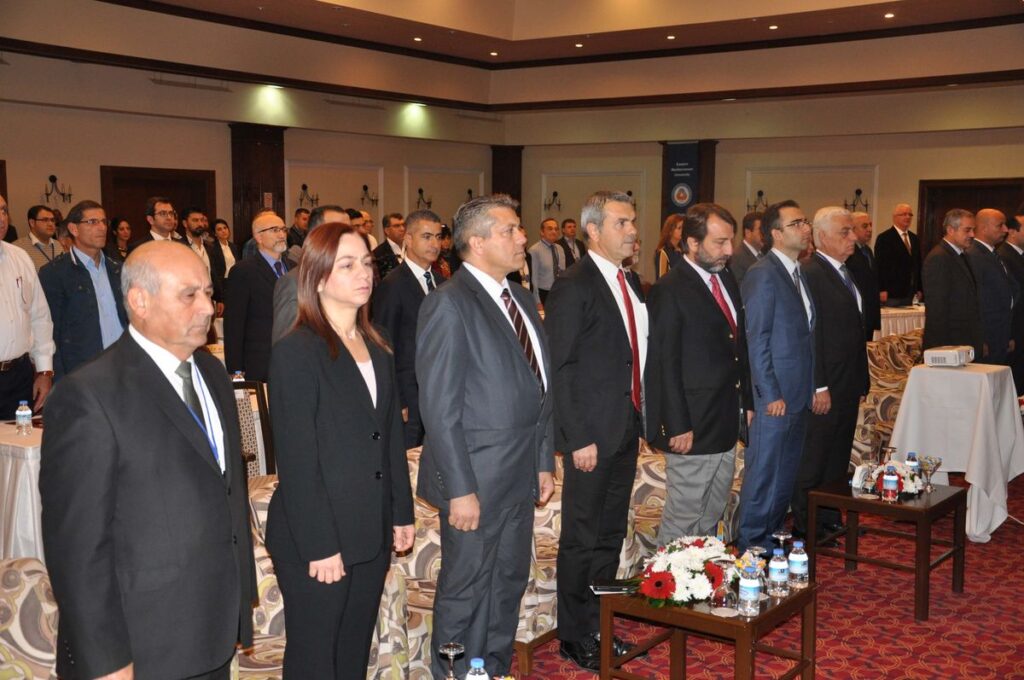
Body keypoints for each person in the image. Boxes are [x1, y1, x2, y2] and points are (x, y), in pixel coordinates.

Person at [40, 241, 255, 680]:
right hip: (142, 644)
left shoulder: (213, 374)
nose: (207, 308)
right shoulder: (90, 394)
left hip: (212, 629)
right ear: (139, 302)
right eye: (189, 295)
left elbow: (226, 496)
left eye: (208, 293)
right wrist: (107, 660)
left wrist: (237, 610)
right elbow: (77, 548)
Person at [266, 223, 414, 679]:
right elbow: (297, 459)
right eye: (347, 265)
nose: (363, 273)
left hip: (370, 527)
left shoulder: (378, 344)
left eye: (366, 263)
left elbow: (389, 437)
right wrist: (321, 545)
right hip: (316, 534)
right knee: (316, 661)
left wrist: (401, 513)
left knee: (352, 654)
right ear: (318, 277)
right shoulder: (297, 350)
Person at [416, 194, 554, 678]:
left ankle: (491, 670)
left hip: (519, 472)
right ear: (476, 243)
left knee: (508, 582)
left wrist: (543, 461)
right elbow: (439, 409)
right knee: (466, 588)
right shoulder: (449, 304)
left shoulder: (519, 297)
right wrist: (460, 488)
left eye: (520, 228)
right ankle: (452, 674)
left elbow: (539, 388)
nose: (522, 238)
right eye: (510, 230)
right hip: (474, 477)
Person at [546, 191, 647, 671]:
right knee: (582, 537)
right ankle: (574, 634)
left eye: (632, 221)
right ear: (593, 230)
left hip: (625, 425)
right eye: (621, 223)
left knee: (610, 533)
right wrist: (577, 436)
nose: (632, 230)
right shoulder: (574, 284)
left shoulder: (630, 280)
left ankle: (600, 622)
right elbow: (560, 366)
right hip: (591, 433)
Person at [645, 203, 752, 545]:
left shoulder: (725, 278)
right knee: (684, 517)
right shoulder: (670, 288)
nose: (729, 250)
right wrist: (676, 423)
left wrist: (746, 402)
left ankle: (700, 574)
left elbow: (739, 345)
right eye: (719, 242)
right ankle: (665, 577)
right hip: (691, 425)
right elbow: (664, 362)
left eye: (731, 241)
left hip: (725, 419)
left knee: (711, 512)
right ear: (692, 243)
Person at [738, 200, 815, 551]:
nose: (806, 228)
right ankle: (752, 549)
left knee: (784, 476)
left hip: (796, 393)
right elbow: (756, 338)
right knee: (764, 474)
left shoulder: (797, 272)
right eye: (796, 223)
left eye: (805, 221)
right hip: (774, 397)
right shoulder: (763, 273)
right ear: (776, 234)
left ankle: (771, 543)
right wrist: (769, 393)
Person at [790, 207, 869, 544]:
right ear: (821, 237)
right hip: (825, 384)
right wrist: (818, 384)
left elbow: (855, 332)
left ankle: (829, 518)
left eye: (852, 231)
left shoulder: (844, 271)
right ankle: (806, 526)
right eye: (844, 232)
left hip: (847, 381)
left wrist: (862, 379)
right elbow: (811, 335)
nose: (853, 238)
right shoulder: (810, 272)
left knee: (837, 457)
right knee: (815, 458)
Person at [370, 209, 442, 449]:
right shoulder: (393, 285)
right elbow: (383, 346)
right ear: (408, 239)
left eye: (438, 237)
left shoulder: (443, 282)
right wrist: (397, 398)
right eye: (427, 237)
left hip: (441, 390)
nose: (435, 244)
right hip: (409, 394)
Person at [39, 200, 127, 380]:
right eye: (92, 222)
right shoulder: (54, 273)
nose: (102, 227)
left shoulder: (119, 269)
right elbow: (51, 332)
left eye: (104, 222)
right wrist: (58, 379)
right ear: (73, 229)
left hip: (124, 365)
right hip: (83, 371)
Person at [0, 194, 54, 418]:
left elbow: (39, 316)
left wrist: (44, 370)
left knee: (20, 439)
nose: (1, 218)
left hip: (18, 376)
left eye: (4, 210)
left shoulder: (19, 256)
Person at [223, 211, 292, 381]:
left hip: (293, 358)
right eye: (275, 230)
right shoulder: (243, 271)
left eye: (283, 229)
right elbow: (234, 324)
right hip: (260, 362)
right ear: (258, 237)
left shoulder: (295, 268)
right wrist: (236, 368)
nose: (281, 235)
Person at [272, 205, 348, 343]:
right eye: (338, 230)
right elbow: (285, 345)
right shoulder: (294, 283)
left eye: (349, 230)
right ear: (316, 234)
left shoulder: (350, 278)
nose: (348, 236)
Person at [922, 208, 984, 359]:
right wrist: (943, 350)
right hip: (950, 344)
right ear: (950, 230)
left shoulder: (961, 255)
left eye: (973, 230)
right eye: (967, 230)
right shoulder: (939, 258)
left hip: (964, 340)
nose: (972, 235)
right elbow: (937, 309)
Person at [966, 209, 1017, 365]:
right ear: (983, 228)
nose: (1006, 230)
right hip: (988, 336)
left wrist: (1008, 335)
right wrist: (980, 340)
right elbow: (975, 301)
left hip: (1001, 333)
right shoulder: (973, 255)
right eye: (1000, 225)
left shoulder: (993, 253)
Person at [998, 204, 1024, 393]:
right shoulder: (1004, 256)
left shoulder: (1019, 255)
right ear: (1013, 232)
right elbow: (1008, 298)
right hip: (1015, 327)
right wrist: (1010, 334)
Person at [874, 203, 921, 306]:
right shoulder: (884, 238)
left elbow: (918, 264)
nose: (908, 217)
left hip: (910, 292)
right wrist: (881, 289)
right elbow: (880, 266)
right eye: (904, 214)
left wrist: (919, 288)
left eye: (910, 214)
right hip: (892, 293)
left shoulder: (914, 238)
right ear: (895, 217)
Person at [846, 212, 881, 341]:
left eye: (870, 225)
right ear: (853, 229)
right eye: (865, 226)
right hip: (856, 314)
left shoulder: (868, 251)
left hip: (869, 314)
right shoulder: (848, 252)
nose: (870, 229)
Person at [13, 205, 64, 271]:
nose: (50, 224)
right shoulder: (17, 248)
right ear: (32, 223)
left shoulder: (60, 245)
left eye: (52, 220)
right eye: (45, 220)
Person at [527, 218, 565, 303]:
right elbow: (533, 279)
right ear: (542, 232)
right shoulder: (534, 250)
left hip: (559, 292)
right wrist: (537, 301)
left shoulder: (560, 249)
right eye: (550, 229)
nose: (554, 231)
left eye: (556, 229)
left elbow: (563, 272)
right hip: (543, 294)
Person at [728, 211, 763, 285]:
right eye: (761, 230)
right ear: (748, 233)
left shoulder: (765, 253)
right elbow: (739, 288)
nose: (765, 234)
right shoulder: (736, 257)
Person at [373, 212, 406, 280]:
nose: (402, 229)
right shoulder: (378, 254)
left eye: (403, 225)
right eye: (397, 226)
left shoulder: (412, 248)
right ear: (387, 230)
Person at [653, 213, 684, 281]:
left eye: (683, 228)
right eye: (679, 228)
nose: (682, 231)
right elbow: (662, 278)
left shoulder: (683, 251)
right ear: (670, 231)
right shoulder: (663, 252)